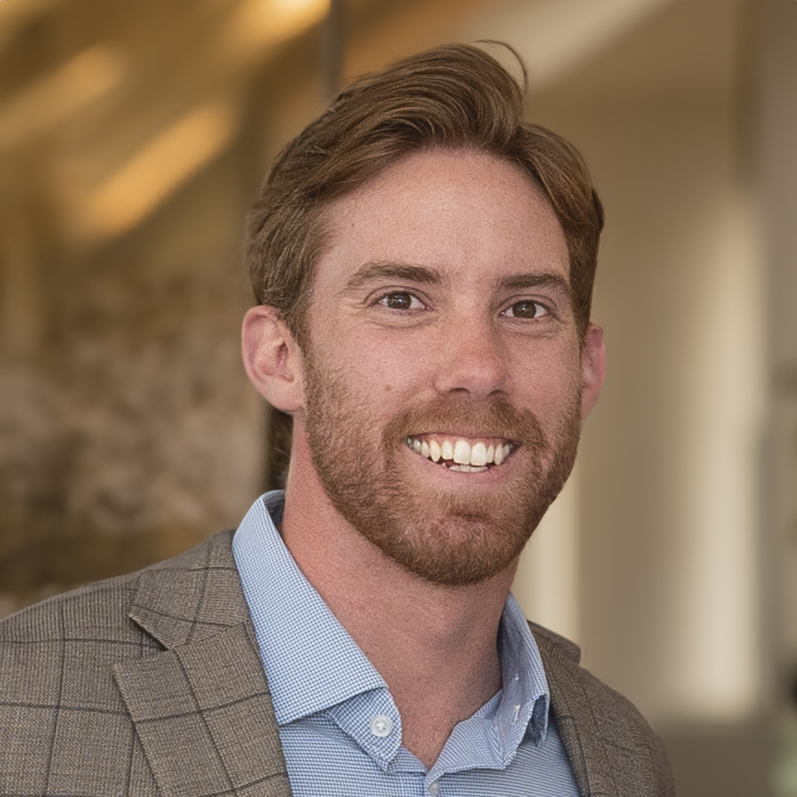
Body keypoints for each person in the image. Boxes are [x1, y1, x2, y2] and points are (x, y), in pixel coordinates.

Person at [0, 43, 675, 796]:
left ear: (585, 369)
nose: (478, 365)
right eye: (401, 300)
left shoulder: (619, 756)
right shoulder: (21, 708)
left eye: (525, 308)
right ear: (279, 356)